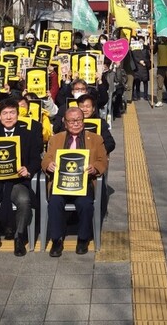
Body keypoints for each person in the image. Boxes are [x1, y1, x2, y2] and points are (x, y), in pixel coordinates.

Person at [0, 99, 42, 256]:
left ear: (18, 115)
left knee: (24, 201)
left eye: (12, 113)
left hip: (18, 181)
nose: (9, 117)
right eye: (5, 113)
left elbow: (36, 160)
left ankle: (19, 236)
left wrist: (28, 170)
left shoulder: (28, 135)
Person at [43, 106, 109, 256]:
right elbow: (46, 159)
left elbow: (103, 160)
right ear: (65, 122)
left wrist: (95, 168)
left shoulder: (95, 139)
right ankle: (57, 240)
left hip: (84, 182)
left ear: (83, 121)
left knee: (85, 204)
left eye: (79, 120)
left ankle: (83, 238)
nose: (76, 124)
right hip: (62, 183)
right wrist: (49, 165)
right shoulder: (56, 139)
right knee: (54, 203)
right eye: (72, 121)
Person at [153, 36, 167, 108]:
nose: (164, 39)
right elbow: (153, 52)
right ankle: (159, 100)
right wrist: (155, 44)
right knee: (160, 85)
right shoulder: (158, 45)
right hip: (161, 67)